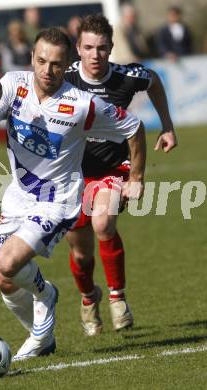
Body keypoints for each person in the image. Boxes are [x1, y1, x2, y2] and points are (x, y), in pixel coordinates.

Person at [0, 27, 146, 360]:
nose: (48, 71)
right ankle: (43, 339)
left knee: (8, 263)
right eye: (42, 61)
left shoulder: (81, 105)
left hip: (58, 201)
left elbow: (133, 127)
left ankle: (45, 297)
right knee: (4, 281)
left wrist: (136, 177)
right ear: (32, 57)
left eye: (57, 65)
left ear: (68, 65)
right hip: (18, 196)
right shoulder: (10, 86)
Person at [64, 14, 177, 336]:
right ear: (78, 49)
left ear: (111, 48)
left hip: (115, 168)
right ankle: (89, 299)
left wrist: (167, 126)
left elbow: (153, 79)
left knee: (103, 223)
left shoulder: (127, 76)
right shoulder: (64, 78)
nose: (95, 55)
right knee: (81, 253)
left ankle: (117, 297)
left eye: (101, 48)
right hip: (71, 174)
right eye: (88, 48)